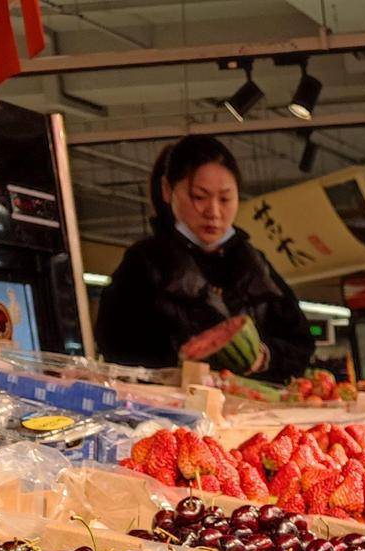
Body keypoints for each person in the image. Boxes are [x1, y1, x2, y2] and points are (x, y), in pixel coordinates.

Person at [95, 136, 315, 382]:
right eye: (199, 197)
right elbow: (116, 348)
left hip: (254, 409)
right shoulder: (144, 263)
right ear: (168, 190)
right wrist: (181, 365)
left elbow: (301, 344)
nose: (214, 212)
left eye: (225, 199)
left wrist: (263, 357)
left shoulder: (255, 264)